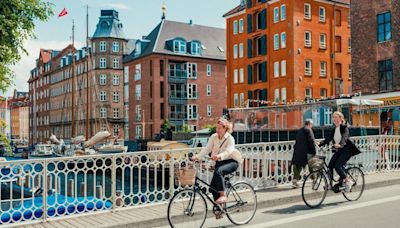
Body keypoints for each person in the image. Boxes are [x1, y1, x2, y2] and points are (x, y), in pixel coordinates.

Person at [192, 118, 243, 208]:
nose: (217, 130)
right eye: (217, 128)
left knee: (218, 172)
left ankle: (223, 196)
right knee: (212, 189)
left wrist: (219, 156)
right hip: (219, 163)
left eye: (219, 128)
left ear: (225, 129)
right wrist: (197, 156)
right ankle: (219, 208)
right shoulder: (213, 137)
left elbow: (229, 151)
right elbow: (207, 149)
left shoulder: (230, 138)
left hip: (231, 162)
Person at [319, 111, 361, 192]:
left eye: (336, 117)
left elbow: (345, 137)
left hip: (347, 150)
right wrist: (320, 144)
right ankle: (330, 184)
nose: (334, 119)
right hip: (339, 150)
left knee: (337, 166)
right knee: (330, 166)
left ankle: (348, 181)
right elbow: (329, 138)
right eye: (333, 117)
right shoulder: (334, 129)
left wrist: (340, 144)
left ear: (340, 118)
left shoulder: (344, 127)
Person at [291, 119, 316, 188]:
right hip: (307, 152)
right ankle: (314, 181)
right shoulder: (309, 130)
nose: (312, 126)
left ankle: (294, 182)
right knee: (311, 165)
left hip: (299, 151)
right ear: (309, 124)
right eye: (312, 125)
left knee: (298, 166)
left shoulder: (300, 130)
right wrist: (314, 152)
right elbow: (311, 141)